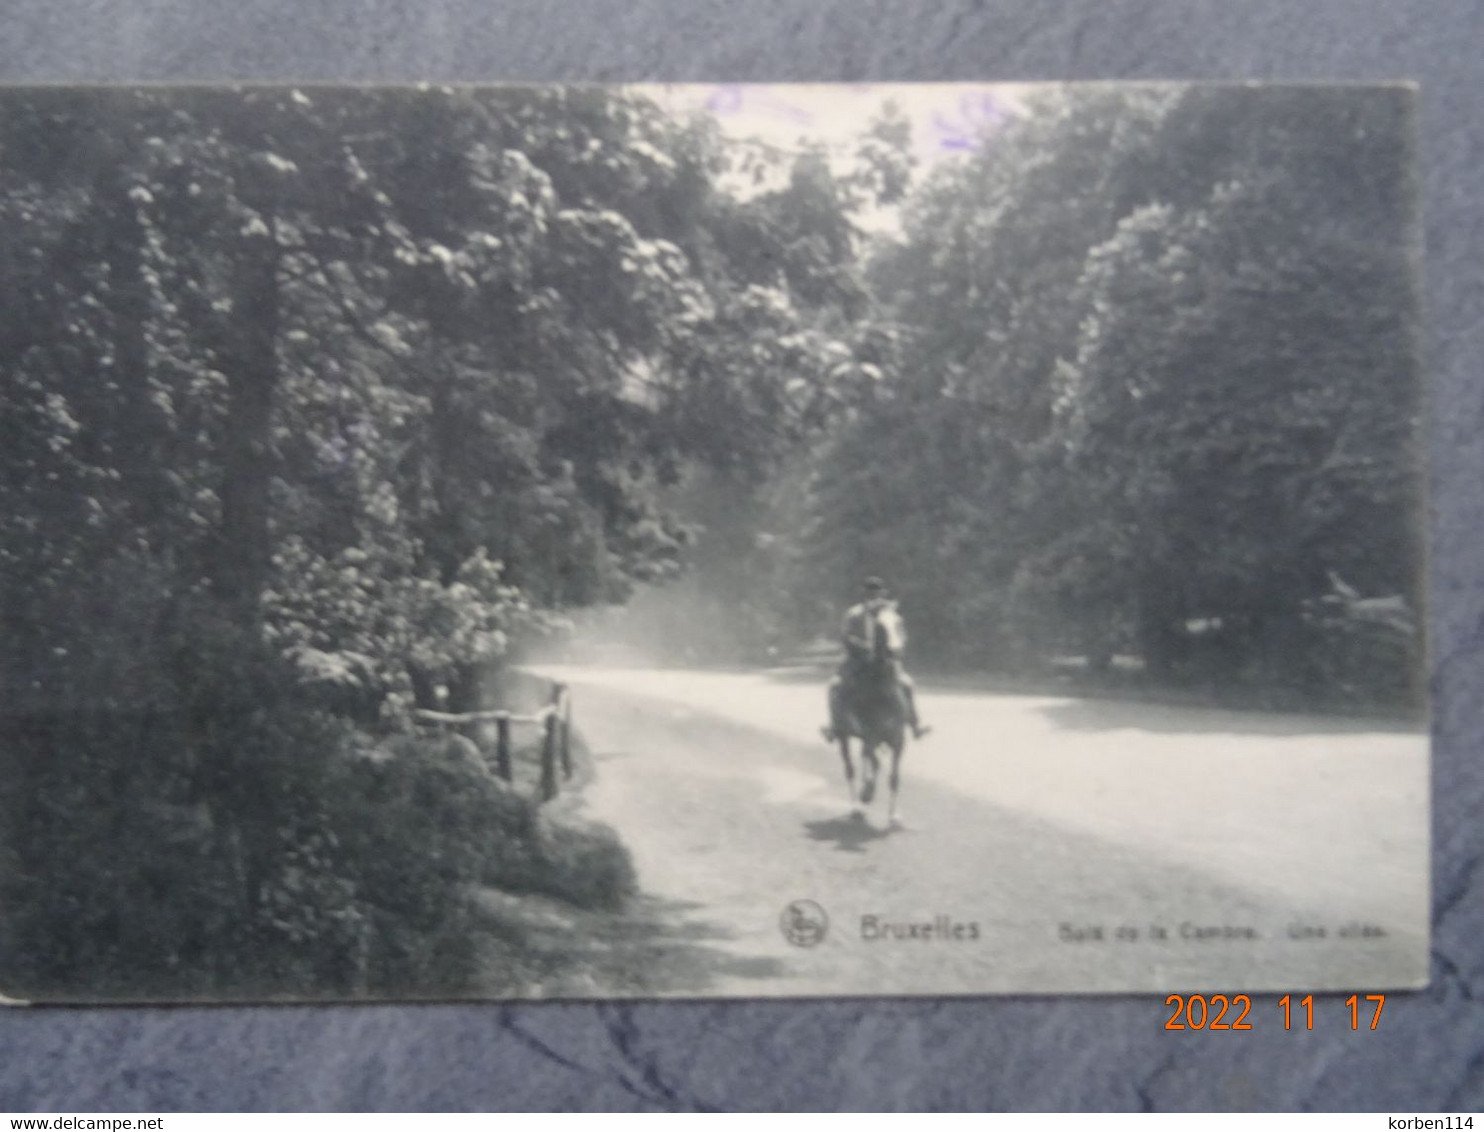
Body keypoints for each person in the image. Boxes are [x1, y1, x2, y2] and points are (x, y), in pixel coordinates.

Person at [821, 576, 929, 742]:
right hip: (858, 660)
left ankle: (914, 725)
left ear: (883, 594)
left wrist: (897, 648)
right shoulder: (854, 614)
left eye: (877, 593)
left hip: (886, 661)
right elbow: (846, 636)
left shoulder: (891, 615)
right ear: (864, 594)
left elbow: (900, 635)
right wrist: (864, 646)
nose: (874, 597)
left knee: (907, 684)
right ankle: (835, 726)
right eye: (870, 593)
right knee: (835, 686)